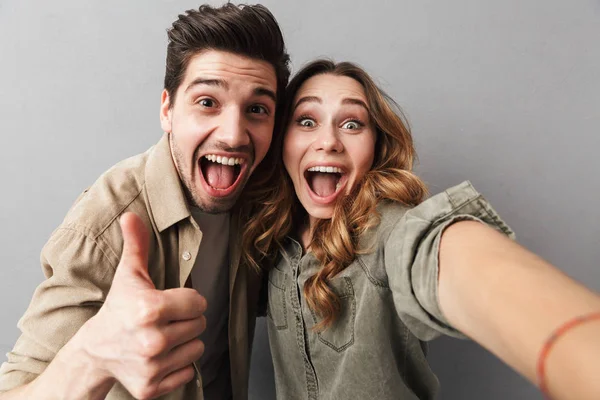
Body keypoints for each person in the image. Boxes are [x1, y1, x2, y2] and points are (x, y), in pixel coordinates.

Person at [242, 60, 600, 400]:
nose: (329, 141)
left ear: (376, 145)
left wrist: (573, 340)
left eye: (352, 124)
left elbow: (441, 252)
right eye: (306, 121)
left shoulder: (391, 230)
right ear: (280, 142)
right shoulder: (273, 240)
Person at [0, 4, 290, 400]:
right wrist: (92, 355)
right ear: (167, 109)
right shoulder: (103, 227)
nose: (234, 134)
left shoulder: (262, 200)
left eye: (257, 109)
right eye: (208, 102)